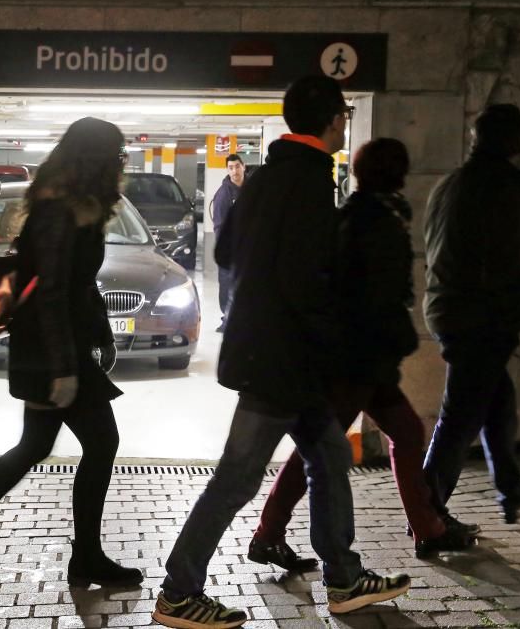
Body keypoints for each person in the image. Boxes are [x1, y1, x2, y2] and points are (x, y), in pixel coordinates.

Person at [152, 77, 410, 628]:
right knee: (239, 477)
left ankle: (342, 577)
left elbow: (225, 249)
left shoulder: (265, 182)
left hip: (274, 354)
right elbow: (306, 284)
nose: (344, 122)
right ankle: (178, 590)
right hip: (284, 361)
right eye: (341, 114)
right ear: (330, 121)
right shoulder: (310, 186)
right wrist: (330, 340)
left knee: (328, 457)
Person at [0, 117, 142, 589]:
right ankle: (85, 557)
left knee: (36, 445)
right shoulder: (58, 209)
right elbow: (50, 292)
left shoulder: (74, 206)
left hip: (54, 344)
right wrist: (66, 368)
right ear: (95, 159)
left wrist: (100, 334)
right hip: (49, 348)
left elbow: (79, 285)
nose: (121, 163)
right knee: (100, 442)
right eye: (116, 154)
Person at [246, 138, 477, 569]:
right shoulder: (374, 221)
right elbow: (373, 297)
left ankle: (428, 528)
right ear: (398, 173)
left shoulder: (369, 215)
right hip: (357, 362)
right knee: (324, 448)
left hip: (365, 361)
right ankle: (272, 534)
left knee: (405, 433)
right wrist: (397, 339)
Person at [422, 104, 520, 525]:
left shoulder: (451, 184)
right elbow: (499, 264)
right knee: (459, 418)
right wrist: (510, 316)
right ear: (512, 140)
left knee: (498, 404)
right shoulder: (499, 189)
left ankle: (512, 492)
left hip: (452, 309)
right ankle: (426, 513)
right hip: (477, 319)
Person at [211, 153, 245, 332]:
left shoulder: (251, 189)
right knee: (226, 284)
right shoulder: (223, 194)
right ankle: (227, 318)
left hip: (248, 248)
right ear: (227, 169)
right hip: (230, 250)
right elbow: (219, 226)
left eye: (237, 167)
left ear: (243, 167)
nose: (234, 171)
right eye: (231, 168)